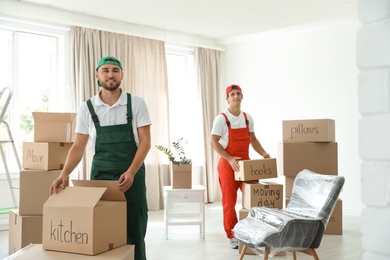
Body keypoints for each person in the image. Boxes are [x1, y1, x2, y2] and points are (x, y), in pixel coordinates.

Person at [50, 56, 151, 260]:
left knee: (135, 228)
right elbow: (79, 145)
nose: (110, 74)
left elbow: (145, 142)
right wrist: (64, 173)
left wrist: (131, 172)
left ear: (122, 75)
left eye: (115, 70)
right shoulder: (86, 108)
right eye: (105, 70)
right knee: (101, 228)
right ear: (97, 75)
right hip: (100, 175)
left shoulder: (136, 103)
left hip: (132, 174)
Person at [210, 84, 270, 249]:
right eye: (232, 94)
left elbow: (253, 139)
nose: (236, 96)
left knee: (255, 198)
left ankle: (255, 231)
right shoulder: (222, 118)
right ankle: (233, 235)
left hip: (246, 165)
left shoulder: (247, 118)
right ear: (227, 98)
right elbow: (213, 141)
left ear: (242, 97)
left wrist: (264, 154)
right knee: (229, 202)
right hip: (228, 165)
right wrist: (229, 158)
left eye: (238, 94)